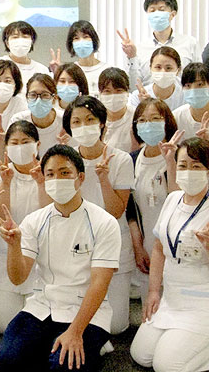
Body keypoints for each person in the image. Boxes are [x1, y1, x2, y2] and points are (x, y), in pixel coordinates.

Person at [0, 145, 121, 372]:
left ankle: (91, 348)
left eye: (65, 172)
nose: (57, 179)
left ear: (80, 178)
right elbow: (18, 278)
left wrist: (75, 332)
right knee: (7, 360)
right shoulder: (35, 220)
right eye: (50, 174)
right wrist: (14, 246)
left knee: (62, 366)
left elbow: (100, 284)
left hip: (85, 312)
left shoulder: (104, 223)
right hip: (44, 306)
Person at [130, 137, 209, 371]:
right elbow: (159, 248)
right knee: (141, 355)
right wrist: (153, 292)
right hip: (173, 299)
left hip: (206, 304)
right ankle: (185, 338)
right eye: (183, 165)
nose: (188, 172)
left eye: (196, 166)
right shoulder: (172, 199)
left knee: (166, 366)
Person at [63, 96, 135, 335]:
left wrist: (103, 178)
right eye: (77, 121)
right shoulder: (66, 160)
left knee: (115, 327)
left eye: (90, 119)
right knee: (79, 319)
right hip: (77, 243)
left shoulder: (121, 159)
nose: (83, 126)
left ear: (102, 123)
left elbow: (116, 211)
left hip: (113, 244)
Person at [0, 120, 50, 333]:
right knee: (3, 324)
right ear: (6, 147)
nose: (20, 147)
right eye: (14, 143)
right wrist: (5, 182)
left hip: (40, 255)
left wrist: (41, 182)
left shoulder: (48, 172)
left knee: (37, 324)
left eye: (26, 141)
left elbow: (51, 215)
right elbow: (0, 216)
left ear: (37, 145)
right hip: (6, 252)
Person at [128, 98, 183, 303]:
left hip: (177, 246)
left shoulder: (180, 156)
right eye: (142, 120)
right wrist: (138, 246)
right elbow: (130, 209)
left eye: (155, 119)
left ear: (167, 122)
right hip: (147, 248)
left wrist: (171, 162)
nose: (148, 124)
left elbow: (180, 201)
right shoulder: (132, 160)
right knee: (150, 308)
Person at [118, 0, 200, 87]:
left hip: (181, 96)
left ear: (172, 14)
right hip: (149, 96)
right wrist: (132, 57)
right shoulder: (138, 49)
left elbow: (199, 78)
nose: (156, 14)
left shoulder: (190, 43)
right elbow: (133, 86)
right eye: (152, 10)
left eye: (161, 10)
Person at [0, 20, 49, 85]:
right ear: (7, 43)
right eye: (15, 37)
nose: (20, 41)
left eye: (25, 37)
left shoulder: (41, 69)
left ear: (32, 42)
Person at [128, 46, 185, 111]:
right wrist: (145, 106)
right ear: (150, 68)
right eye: (158, 67)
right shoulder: (138, 96)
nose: (163, 72)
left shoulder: (185, 96)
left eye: (168, 68)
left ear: (178, 70)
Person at [62, 20, 108, 95]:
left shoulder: (106, 70)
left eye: (85, 37)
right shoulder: (69, 71)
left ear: (93, 40)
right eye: (76, 38)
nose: (81, 41)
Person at [97, 67, 136, 152]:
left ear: (127, 92)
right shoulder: (95, 119)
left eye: (118, 90)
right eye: (107, 91)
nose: (113, 95)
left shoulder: (136, 117)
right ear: (100, 93)